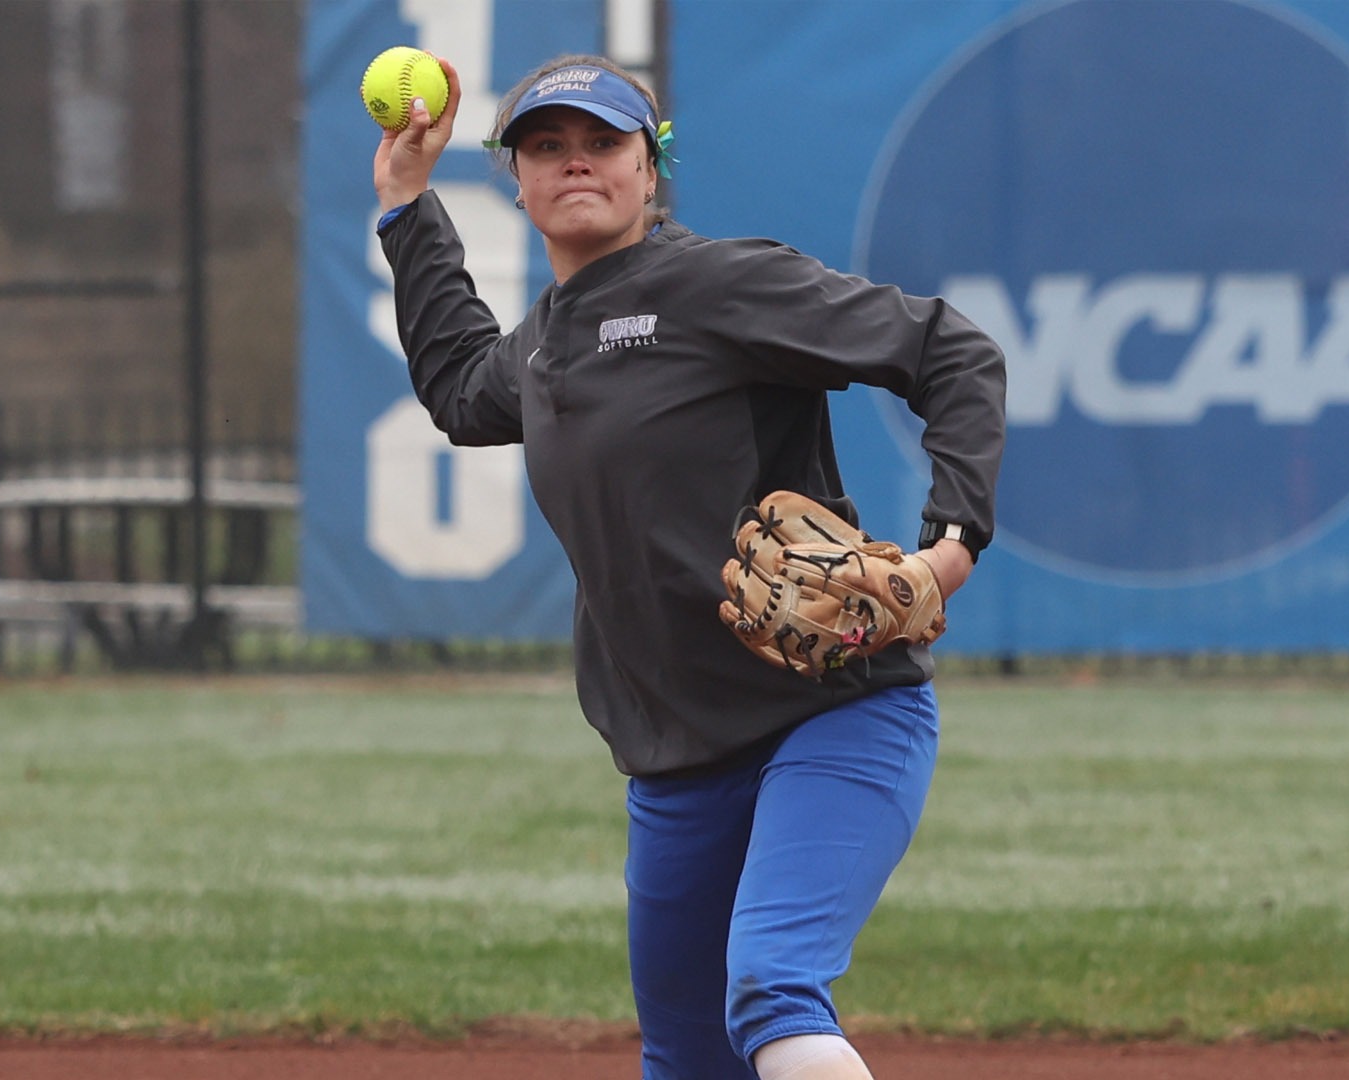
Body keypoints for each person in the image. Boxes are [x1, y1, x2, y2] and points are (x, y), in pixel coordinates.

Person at [372, 53, 1006, 1080]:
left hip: (832, 716)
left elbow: (950, 351)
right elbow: (455, 385)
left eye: (603, 142)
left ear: (649, 167)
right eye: (547, 146)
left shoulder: (716, 285)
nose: (576, 162)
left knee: (770, 987)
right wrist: (407, 199)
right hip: (675, 764)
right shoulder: (543, 346)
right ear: (518, 178)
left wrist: (951, 548)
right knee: (687, 1057)